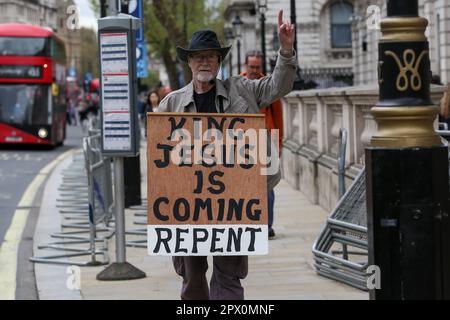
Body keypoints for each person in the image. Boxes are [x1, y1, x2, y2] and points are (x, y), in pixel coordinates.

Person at [158, 10, 296, 300]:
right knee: (192, 278)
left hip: (233, 203)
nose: (204, 61)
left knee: (229, 278)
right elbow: (160, 158)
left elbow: (278, 86)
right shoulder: (171, 104)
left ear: (219, 61)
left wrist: (285, 50)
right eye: (198, 56)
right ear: (189, 62)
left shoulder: (242, 90)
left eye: (210, 56)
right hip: (190, 206)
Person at [241, 50, 283, 239]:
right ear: (245, 66)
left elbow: (278, 116)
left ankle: (266, 225)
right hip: (243, 142)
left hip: (267, 139)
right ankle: (249, 223)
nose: (255, 71)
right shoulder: (237, 85)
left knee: (268, 185)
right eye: (252, 67)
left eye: (258, 67)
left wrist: (278, 144)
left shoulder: (268, 85)